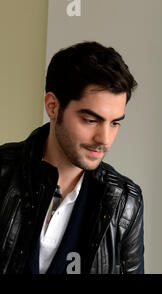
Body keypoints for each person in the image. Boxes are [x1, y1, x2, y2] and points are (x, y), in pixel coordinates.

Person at [0, 41, 144, 274]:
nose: (104, 139)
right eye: (90, 120)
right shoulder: (4, 172)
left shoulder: (125, 202)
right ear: (53, 106)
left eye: (115, 123)